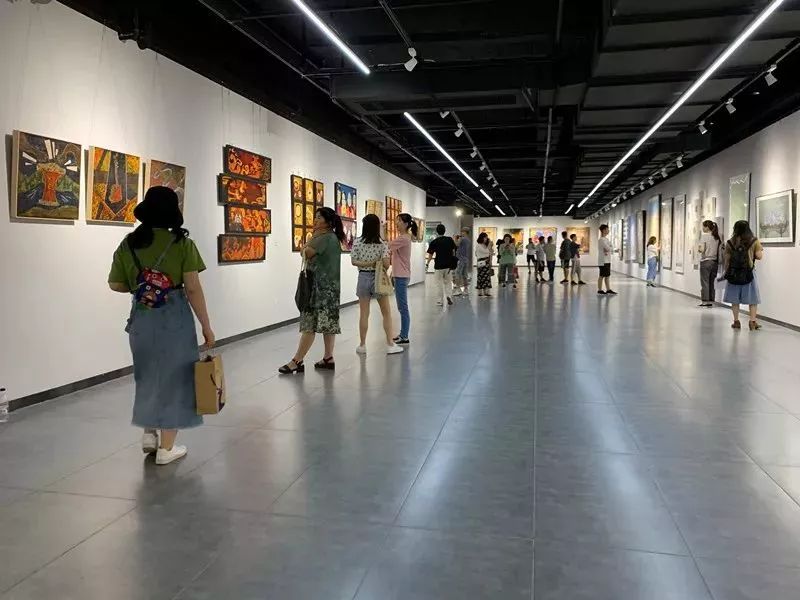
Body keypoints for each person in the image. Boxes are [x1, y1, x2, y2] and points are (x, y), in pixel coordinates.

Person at [107, 187, 214, 466]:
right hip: (174, 319)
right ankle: (167, 448)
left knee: (147, 376)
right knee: (176, 380)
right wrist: (206, 325)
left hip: (141, 318)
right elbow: (192, 288)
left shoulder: (129, 244)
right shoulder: (182, 244)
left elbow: (115, 284)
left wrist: (142, 287)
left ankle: (149, 433)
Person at [280, 207, 345, 374]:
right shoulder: (332, 237)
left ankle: (297, 361)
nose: (315, 220)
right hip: (330, 289)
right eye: (315, 217)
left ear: (327, 222)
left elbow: (306, 253)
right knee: (328, 324)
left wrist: (307, 243)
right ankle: (328, 358)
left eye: (319, 218)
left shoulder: (323, 238)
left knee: (309, 325)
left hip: (318, 290)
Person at [350, 214, 404, 355]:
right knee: (386, 313)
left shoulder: (357, 242)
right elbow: (386, 265)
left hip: (363, 277)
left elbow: (354, 261)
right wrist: (376, 262)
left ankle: (362, 345)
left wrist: (367, 263)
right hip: (378, 278)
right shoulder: (382, 243)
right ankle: (390, 344)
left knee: (364, 313)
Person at [723, 220, 764, 330]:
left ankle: (736, 321)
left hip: (733, 274)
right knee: (753, 299)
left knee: (734, 299)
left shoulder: (730, 242)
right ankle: (752, 322)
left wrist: (727, 272)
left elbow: (727, 260)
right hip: (749, 273)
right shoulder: (754, 241)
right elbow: (759, 256)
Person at [390, 213, 416, 344]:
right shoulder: (403, 237)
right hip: (399, 275)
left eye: (399, 221)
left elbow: (387, 246)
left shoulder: (404, 238)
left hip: (401, 276)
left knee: (403, 307)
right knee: (402, 307)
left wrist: (382, 231)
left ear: (406, 224)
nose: (396, 223)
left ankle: (404, 336)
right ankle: (403, 334)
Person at [426, 223, 457, 306]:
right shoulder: (449, 240)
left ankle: (439, 301)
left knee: (439, 284)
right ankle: (449, 296)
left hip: (438, 266)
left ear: (437, 231)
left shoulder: (434, 242)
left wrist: (427, 263)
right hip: (448, 265)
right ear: (444, 231)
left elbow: (430, 254)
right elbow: (453, 250)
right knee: (448, 282)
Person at [698, 220, 722, 307]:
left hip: (706, 261)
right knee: (712, 282)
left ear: (707, 227)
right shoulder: (717, 237)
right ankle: (711, 301)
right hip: (714, 262)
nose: (702, 228)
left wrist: (698, 248)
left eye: (703, 226)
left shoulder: (704, 236)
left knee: (705, 282)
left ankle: (705, 301)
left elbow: (702, 250)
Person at [597, 224, 616, 295]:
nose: (608, 230)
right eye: (607, 229)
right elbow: (608, 248)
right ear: (603, 230)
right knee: (602, 275)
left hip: (607, 260)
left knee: (607, 276)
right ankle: (599, 290)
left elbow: (611, 248)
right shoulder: (601, 240)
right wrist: (609, 248)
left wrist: (609, 248)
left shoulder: (606, 239)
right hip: (603, 261)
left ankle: (608, 289)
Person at [453, 228, 472, 296]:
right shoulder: (468, 240)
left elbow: (456, 244)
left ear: (465, 232)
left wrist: (455, 239)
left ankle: (458, 289)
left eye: (462, 232)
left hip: (460, 259)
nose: (461, 233)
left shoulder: (462, 239)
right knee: (465, 275)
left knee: (458, 274)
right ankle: (466, 290)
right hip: (466, 259)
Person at [475, 232, 494, 297]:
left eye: (486, 237)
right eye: (485, 237)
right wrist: (489, 246)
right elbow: (486, 251)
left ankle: (486, 291)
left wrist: (490, 261)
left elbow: (490, 253)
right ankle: (480, 291)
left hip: (487, 262)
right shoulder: (478, 245)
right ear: (482, 238)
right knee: (480, 276)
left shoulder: (486, 245)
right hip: (481, 262)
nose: (486, 239)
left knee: (487, 277)